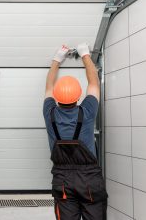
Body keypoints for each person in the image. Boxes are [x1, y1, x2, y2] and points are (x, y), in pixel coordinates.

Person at [43, 44, 108, 220]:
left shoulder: (49, 113)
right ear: (78, 96)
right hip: (89, 180)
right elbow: (94, 82)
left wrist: (57, 59)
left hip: (62, 180)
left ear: (56, 97)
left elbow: (48, 86)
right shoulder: (86, 111)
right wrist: (85, 54)